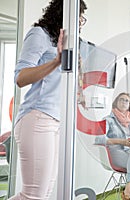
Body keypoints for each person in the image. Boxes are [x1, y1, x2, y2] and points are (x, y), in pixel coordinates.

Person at [11, 1, 87, 199]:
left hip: (56, 120)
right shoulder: (40, 34)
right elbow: (20, 78)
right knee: (33, 195)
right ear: (64, 14)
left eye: (81, 18)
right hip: (38, 117)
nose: (80, 22)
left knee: (45, 193)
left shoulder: (64, 44)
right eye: (79, 16)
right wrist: (56, 62)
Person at [95, 92, 130, 200]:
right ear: (116, 102)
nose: (124, 102)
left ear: (129, 105)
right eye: (121, 99)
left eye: (127, 100)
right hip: (115, 155)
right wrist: (122, 142)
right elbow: (99, 138)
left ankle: (128, 190)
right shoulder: (107, 120)